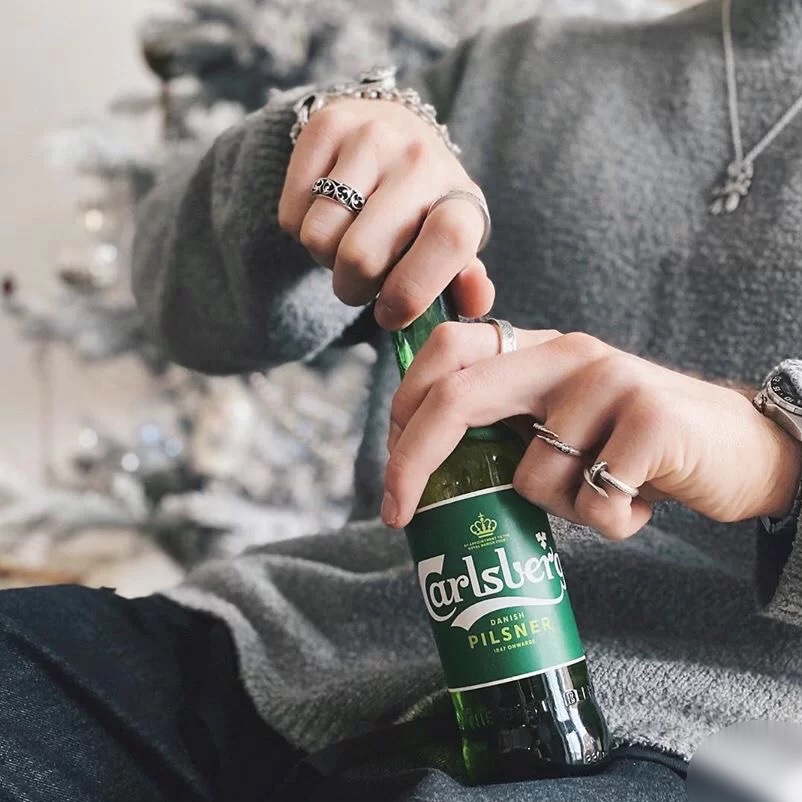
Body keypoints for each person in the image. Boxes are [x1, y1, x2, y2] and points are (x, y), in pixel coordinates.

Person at [2, 1, 802, 800]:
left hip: (710, 733)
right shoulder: (517, 66)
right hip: (293, 647)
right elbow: (183, 313)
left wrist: (775, 461)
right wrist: (311, 155)